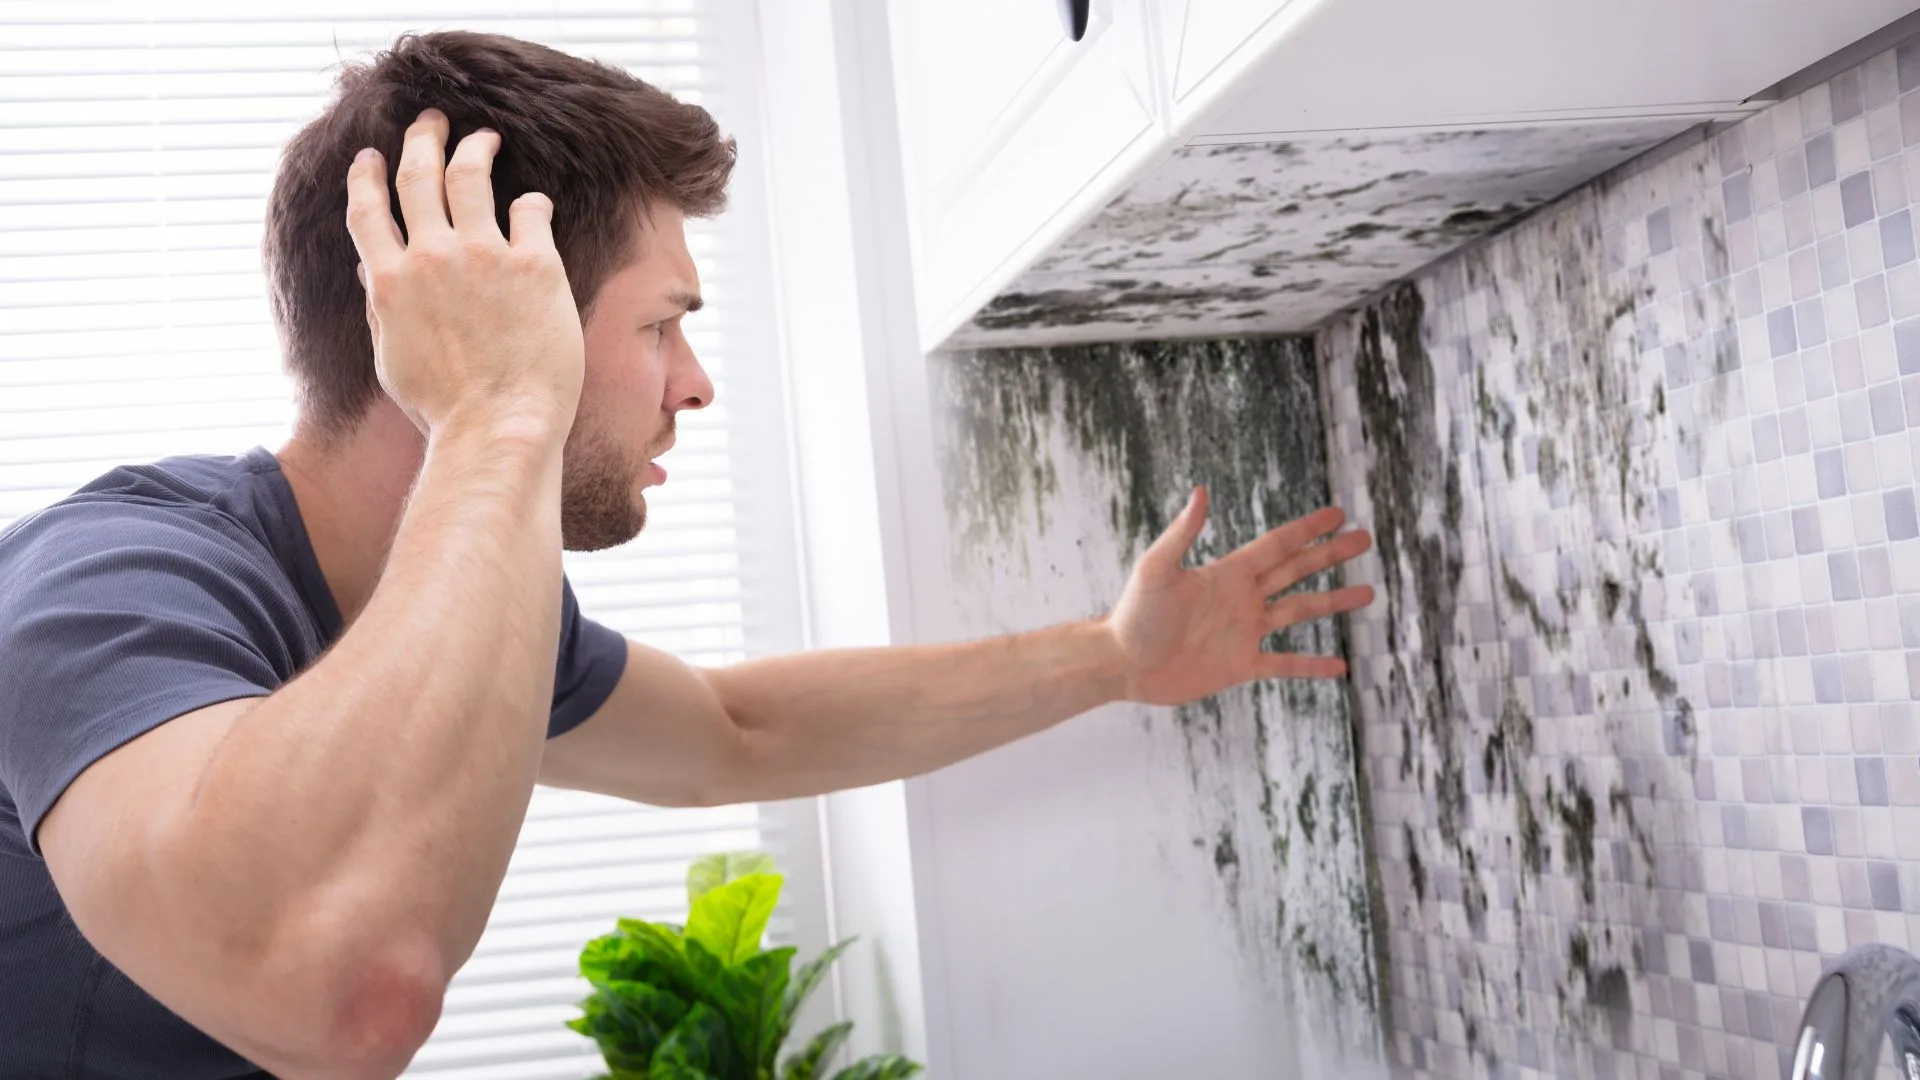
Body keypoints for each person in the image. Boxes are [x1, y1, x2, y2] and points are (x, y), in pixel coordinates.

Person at [0, 31, 1376, 1080]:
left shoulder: (466, 612)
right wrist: (496, 409)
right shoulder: (109, 590)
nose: (696, 381)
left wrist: (1112, 660)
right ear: (484, 305)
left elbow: (737, 732)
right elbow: (345, 991)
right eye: (661, 324)